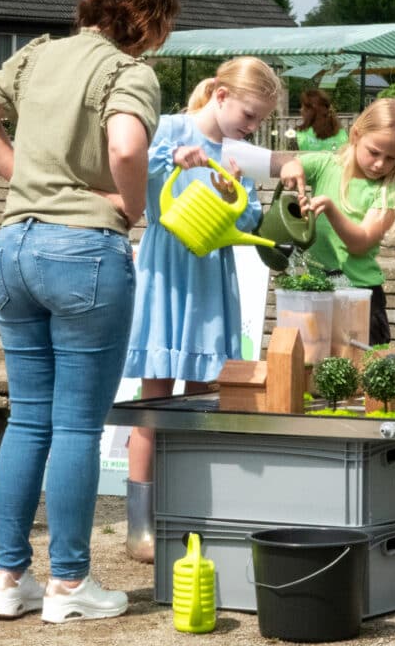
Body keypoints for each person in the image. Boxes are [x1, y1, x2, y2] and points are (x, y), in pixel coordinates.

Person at [0, 0, 179, 621]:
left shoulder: (38, 54)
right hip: (83, 251)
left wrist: (28, 179)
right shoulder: (128, 71)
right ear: (150, 23)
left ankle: (9, 581)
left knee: (28, 418)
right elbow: (128, 147)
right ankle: (71, 585)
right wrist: (127, 208)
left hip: (13, 248)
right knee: (77, 425)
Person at [122, 56, 283, 562]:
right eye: (250, 115)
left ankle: (191, 519)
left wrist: (232, 188)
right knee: (154, 402)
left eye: (259, 121)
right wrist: (174, 158)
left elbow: (252, 215)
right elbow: (127, 161)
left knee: (201, 402)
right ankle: (140, 529)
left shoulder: (239, 153)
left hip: (212, 279)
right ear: (220, 94)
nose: (252, 127)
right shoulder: (170, 127)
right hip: (166, 273)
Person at [279, 96, 395, 346]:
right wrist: (290, 167)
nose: (379, 164)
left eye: (391, 158)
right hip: (316, 291)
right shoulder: (325, 165)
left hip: (360, 296)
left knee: (365, 373)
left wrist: (331, 210)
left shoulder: (389, 191)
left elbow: (360, 243)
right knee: (313, 367)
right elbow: (286, 163)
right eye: (374, 152)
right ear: (355, 135)